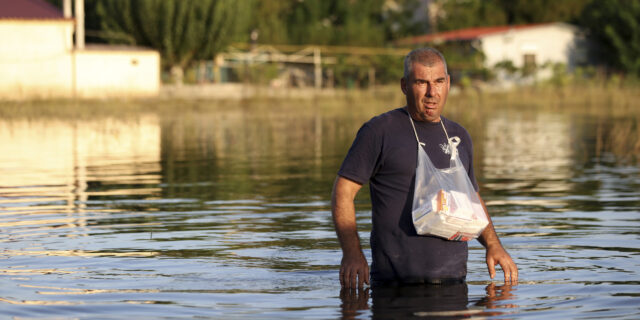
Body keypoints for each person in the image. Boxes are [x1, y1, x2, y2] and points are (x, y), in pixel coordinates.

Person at [331, 47, 518, 288]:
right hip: (394, 286)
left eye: (439, 81)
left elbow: (471, 198)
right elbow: (343, 193)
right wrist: (352, 254)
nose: (432, 92)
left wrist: (494, 245)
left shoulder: (459, 135)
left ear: (448, 83)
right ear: (404, 85)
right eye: (421, 82)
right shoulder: (379, 131)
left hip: (454, 285)